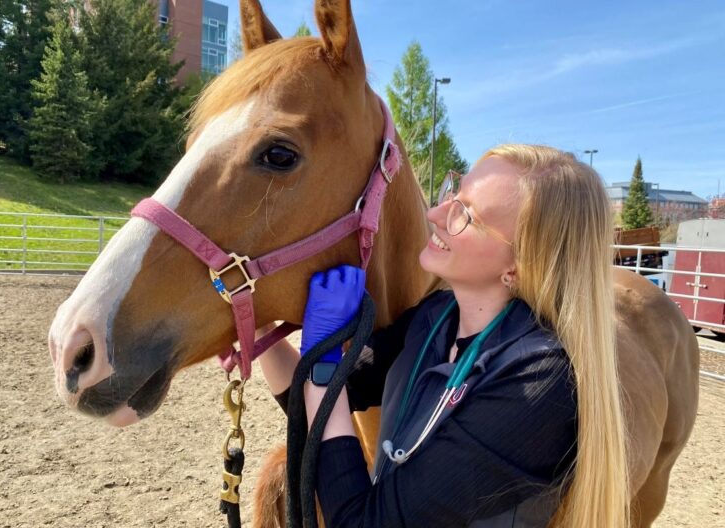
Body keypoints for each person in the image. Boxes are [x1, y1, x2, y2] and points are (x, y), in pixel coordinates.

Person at [257, 144, 630, 527]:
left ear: (519, 266)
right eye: (454, 191)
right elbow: (315, 406)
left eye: (465, 215)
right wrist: (260, 331)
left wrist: (322, 359)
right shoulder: (435, 318)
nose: (435, 214)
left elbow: (361, 522)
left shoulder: (538, 380)